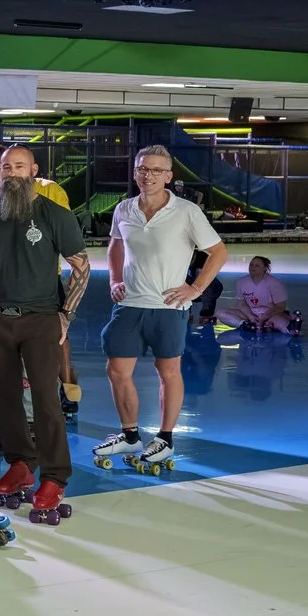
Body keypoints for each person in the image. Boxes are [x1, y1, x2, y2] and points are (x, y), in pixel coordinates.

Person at [0, 144, 89, 517]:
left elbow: (80, 265)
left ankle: (55, 475)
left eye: (19, 166)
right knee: (3, 397)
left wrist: (66, 315)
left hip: (40, 318)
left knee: (47, 400)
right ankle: (20, 463)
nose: (11, 173)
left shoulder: (54, 214)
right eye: (6, 167)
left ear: (33, 170)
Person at [98, 146, 227, 470]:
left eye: (157, 170)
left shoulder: (186, 211)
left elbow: (218, 252)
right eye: (143, 169)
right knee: (117, 370)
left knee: (168, 371)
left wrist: (195, 289)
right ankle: (130, 435)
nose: (149, 175)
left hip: (169, 305)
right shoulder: (124, 209)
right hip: (130, 303)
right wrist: (115, 279)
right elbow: (115, 244)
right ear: (135, 173)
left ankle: (165, 438)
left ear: (168, 176)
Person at [224, 255, 296, 333]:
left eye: (257, 265)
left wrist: (265, 316)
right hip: (251, 313)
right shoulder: (241, 282)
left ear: (265, 268)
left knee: (282, 324)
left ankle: (286, 327)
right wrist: (250, 316)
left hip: (271, 314)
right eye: (251, 265)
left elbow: (281, 306)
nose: (252, 267)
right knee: (221, 313)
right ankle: (245, 324)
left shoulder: (275, 283)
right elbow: (242, 303)